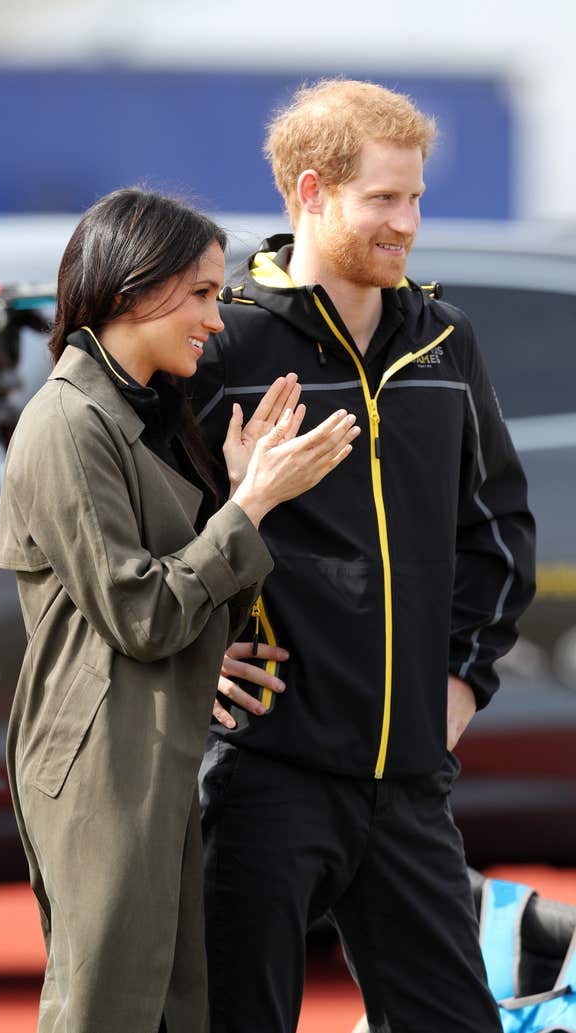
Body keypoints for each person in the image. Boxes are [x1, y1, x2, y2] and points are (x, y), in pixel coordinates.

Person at [192, 80, 536, 1033]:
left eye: (416, 197)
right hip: (265, 769)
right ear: (312, 192)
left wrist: (461, 685)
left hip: (409, 781)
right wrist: (195, 655)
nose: (408, 223)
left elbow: (499, 532)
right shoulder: (227, 341)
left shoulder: (444, 341)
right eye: (384, 199)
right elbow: (144, 540)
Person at [0, 187, 360, 1033]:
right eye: (199, 293)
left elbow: (177, 610)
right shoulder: (67, 421)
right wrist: (251, 503)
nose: (215, 318)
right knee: (108, 1012)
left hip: (150, 753)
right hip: (101, 770)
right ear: (130, 288)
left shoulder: (136, 411)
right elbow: (145, 615)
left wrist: (234, 493)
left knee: (171, 1010)